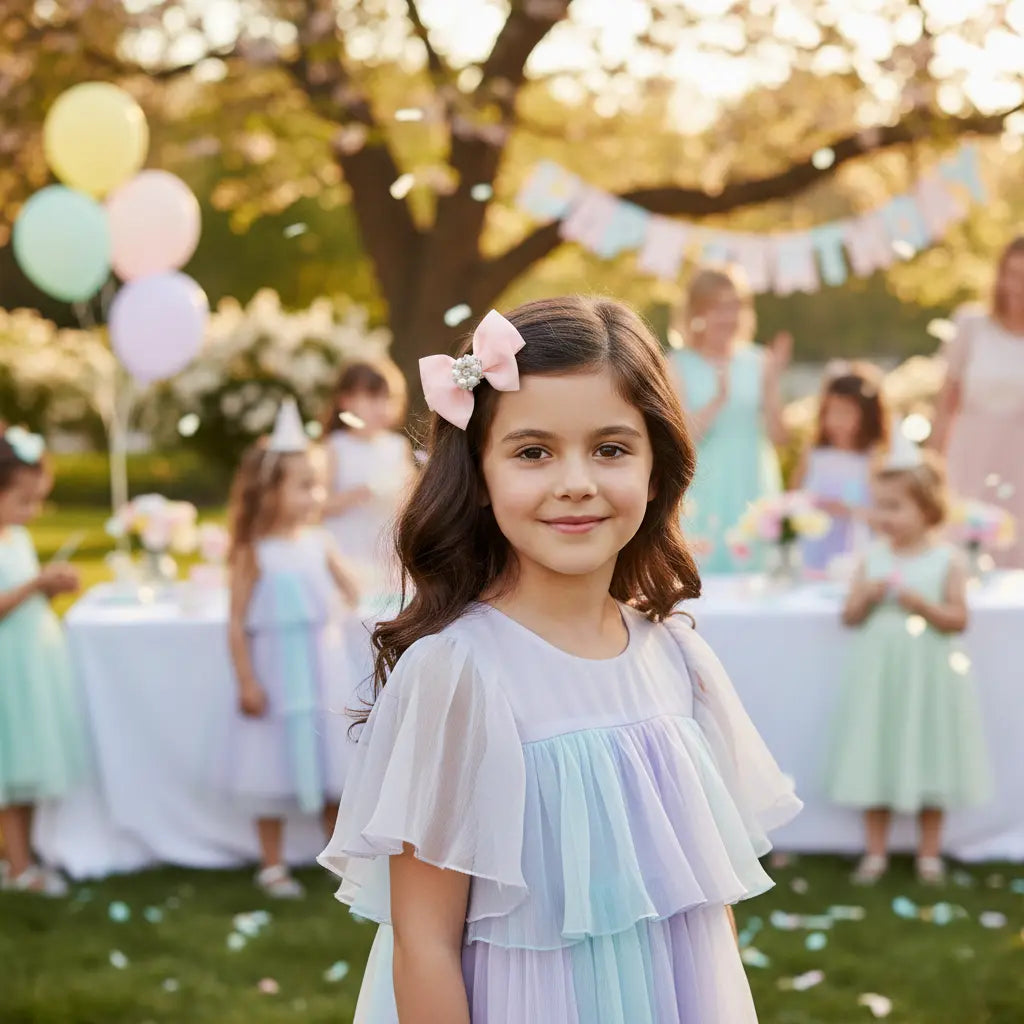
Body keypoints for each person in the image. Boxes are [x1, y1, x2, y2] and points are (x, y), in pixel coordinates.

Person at [319, 298, 802, 1023]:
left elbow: (705, 919)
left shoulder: (678, 663)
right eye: (533, 451)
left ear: (657, 466)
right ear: (479, 476)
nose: (575, 481)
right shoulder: (460, 676)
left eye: (610, 449)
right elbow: (423, 944)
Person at [827, 431, 990, 886]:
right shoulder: (873, 557)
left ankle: (929, 853)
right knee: (878, 749)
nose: (885, 517)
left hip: (928, 676)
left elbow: (959, 618)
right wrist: (869, 596)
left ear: (927, 508)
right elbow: (849, 615)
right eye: (880, 506)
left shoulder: (947, 560)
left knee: (929, 751)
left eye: (896, 507)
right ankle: (875, 852)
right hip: (882, 677)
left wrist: (923, 605)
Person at [226, 399, 360, 899]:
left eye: (317, 484)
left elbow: (348, 589)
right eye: (303, 485)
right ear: (269, 491)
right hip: (277, 674)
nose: (315, 495)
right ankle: (272, 862)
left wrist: (344, 586)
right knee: (270, 763)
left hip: (322, 670)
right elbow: (236, 623)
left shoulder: (318, 541)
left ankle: (335, 851)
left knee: (331, 759)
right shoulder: (254, 551)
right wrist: (246, 679)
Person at [0, 427, 84, 895]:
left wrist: (48, 588)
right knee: (7, 771)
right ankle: (18, 868)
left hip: (28, 665)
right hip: (6, 672)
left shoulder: (16, 539)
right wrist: (35, 585)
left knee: (25, 769)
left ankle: (20, 858)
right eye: (23, 501)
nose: (32, 512)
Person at [669, 266, 790, 573]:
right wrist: (718, 401)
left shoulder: (758, 360)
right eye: (718, 308)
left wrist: (773, 384)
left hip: (752, 481)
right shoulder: (677, 364)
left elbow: (781, 438)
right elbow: (681, 438)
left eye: (735, 306)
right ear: (697, 312)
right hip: (705, 485)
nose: (728, 317)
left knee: (755, 571)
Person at [931, 236, 1024, 567]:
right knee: (961, 548)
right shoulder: (971, 324)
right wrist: (932, 461)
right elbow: (946, 401)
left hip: (1019, 461)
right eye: (1011, 274)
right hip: (970, 454)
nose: (1017, 286)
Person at [322, 360, 416, 598]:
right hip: (347, 548)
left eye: (389, 398)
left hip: (385, 549)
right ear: (346, 401)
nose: (382, 407)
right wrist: (360, 493)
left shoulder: (397, 446)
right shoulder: (335, 447)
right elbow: (318, 507)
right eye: (373, 398)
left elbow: (412, 498)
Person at [792, 362, 888, 573]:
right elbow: (794, 493)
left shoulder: (873, 458)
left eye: (846, 413)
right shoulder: (815, 452)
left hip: (854, 547)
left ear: (866, 415)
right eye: (831, 412)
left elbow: (882, 510)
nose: (837, 421)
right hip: (813, 547)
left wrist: (847, 509)